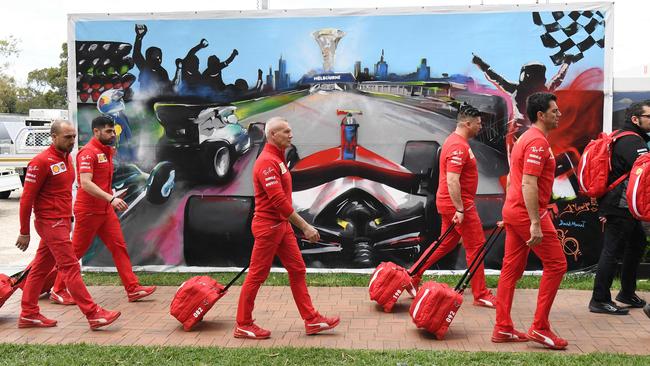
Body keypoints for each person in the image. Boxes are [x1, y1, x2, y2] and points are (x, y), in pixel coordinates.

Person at [234, 117, 340, 339]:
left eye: (290, 131)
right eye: (286, 131)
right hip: (268, 228)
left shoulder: (278, 159)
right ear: (273, 135)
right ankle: (243, 324)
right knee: (257, 275)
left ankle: (311, 320)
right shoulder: (266, 163)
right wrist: (306, 227)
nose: (291, 135)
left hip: (281, 226)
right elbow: (279, 203)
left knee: (297, 269)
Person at [15, 120, 120, 330]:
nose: (72, 141)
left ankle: (28, 314)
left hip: (61, 222)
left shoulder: (66, 159)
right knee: (71, 267)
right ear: (53, 137)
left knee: (39, 269)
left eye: (73, 137)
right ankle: (93, 314)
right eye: (67, 137)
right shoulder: (41, 162)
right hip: (50, 223)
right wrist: (24, 231)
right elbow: (26, 199)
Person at [49, 116, 156, 306]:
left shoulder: (106, 151)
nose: (112, 134)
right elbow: (86, 184)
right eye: (108, 131)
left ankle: (133, 289)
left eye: (113, 131)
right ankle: (57, 290)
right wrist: (111, 198)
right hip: (88, 211)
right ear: (96, 132)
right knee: (75, 253)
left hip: (105, 211)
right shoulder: (88, 153)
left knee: (119, 247)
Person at [492, 92, 568, 350]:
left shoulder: (526, 138)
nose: (559, 114)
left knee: (511, 270)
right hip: (527, 213)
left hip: (516, 211)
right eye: (555, 111)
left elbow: (515, 178)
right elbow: (528, 182)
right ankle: (540, 327)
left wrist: (508, 213)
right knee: (557, 265)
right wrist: (534, 222)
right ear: (541, 115)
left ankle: (502, 327)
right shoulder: (536, 142)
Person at [410, 104, 497, 308]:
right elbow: (452, 180)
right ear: (467, 124)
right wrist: (460, 208)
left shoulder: (456, 141)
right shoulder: (458, 145)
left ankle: (413, 275)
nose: (480, 127)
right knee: (476, 246)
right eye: (478, 123)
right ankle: (481, 293)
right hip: (458, 204)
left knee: (445, 243)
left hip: (451, 203)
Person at [589, 101, 650, 315]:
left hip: (623, 205)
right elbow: (645, 171)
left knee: (638, 243)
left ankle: (626, 293)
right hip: (619, 205)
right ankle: (599, 300)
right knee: (611, 251)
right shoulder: (633, 141)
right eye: (649, 116)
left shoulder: (623, 136)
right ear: (636, 119)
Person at [133, 24, 173, 96]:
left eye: (159, 56)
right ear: (149, 56)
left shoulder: (163, 71)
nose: (158, 58)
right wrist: (139, 37)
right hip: (146, 99)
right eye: (155, 56)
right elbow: (136, 54)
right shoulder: (145, 67)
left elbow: (169, 87)